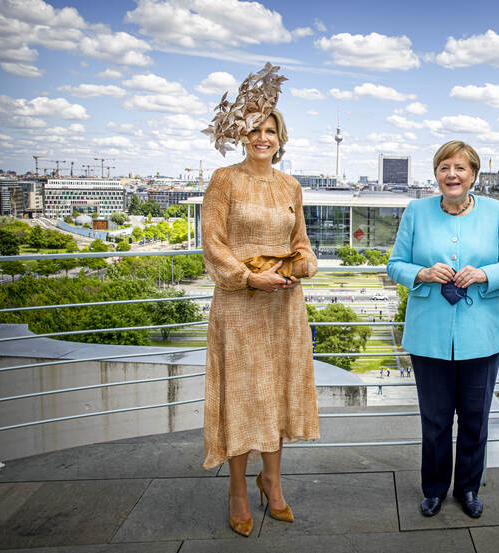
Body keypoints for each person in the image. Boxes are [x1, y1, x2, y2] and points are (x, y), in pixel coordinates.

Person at [200, 64, 319, 537]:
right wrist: (249, 280)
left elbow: (303, 243)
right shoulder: (223, 179)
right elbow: (212, 244)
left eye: (270, 130)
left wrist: (301, 265)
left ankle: (272, 481)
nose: (262, 137)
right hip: (239, 306)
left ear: (280, 137)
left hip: (284, 307)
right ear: (241, 134)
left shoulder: (291, 185)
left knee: (277, 393)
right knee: (242, 397)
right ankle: (236, 489)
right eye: (254, 129)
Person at [387, 140, 499, 519]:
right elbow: (395, 264)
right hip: (429, 336)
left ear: (474, 175)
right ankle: (433, 489)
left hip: (481, 335)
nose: (452, 175)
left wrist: (484, 274)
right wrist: (422, 273)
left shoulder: (495, 212)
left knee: (475, 421)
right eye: (445, 167)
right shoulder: (417, 211)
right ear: (437, 174)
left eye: (460, 168)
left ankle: (467, 488)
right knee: (434, 421)